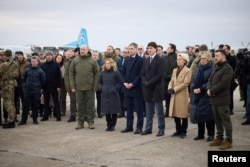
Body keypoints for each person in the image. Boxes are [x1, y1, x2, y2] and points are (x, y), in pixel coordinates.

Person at [207, 49, 234, 150]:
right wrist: (209, 88)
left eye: (217, 56)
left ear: (223, 56)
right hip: (214, 99)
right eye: (215, 56)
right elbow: (210, 79)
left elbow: (223, 84)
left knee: (226, 121)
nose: (215, 57)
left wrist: (212, 91)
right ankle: (219, 138)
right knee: (217, 120)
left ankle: (228, 140)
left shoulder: (228, 69)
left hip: (222, 99)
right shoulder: (216, 67)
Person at [70, 45, 100, 130]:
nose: (82, 51)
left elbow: (97, 73)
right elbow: (71, 73)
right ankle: (80, 122)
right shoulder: (75, 60)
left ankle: (91, 122)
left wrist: (95, 87)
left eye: (84, 49)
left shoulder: (93, 61)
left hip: (90, 88)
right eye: (81, 49)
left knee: (90, 106)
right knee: (79, 106)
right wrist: (72, 86)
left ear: (88, 50)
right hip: (78, 87)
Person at [141, 42, 165, 137]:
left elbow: (160, 74)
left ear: (155, 49)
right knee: (148, 111)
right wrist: (144, 82)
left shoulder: (160, 59)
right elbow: (142, 73)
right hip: (147, 88)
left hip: (156, 88)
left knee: (159, 111)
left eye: (151, 48)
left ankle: (161, 129)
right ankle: (148, 128)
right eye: (148, 48)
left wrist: (149, 82)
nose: (149, 50)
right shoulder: (146, 60)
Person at [190, 52, 215, 141]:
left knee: (208, 116)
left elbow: (210, 81)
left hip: (206, 95)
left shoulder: (212, 69)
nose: (202, 60)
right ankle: (200, 134)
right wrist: (193, 88)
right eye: (201, 58)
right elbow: (193, 80)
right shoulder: (198, 69)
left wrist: (201, 88)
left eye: (204, 59)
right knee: (199, 116)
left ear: (208, 60)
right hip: (197, 95)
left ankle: (211, 134)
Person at [121, 42, 144, 134]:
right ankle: (129, 126)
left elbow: (140, 74)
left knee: (139, 110)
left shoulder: (141, 60)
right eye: (129, 49)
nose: (130, 50)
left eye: (132, 49)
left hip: (136, 88)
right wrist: (124, 83)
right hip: (127, 88)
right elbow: (122, 73)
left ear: (136, 49)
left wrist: (133, 84)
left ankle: (139, 127)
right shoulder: (126, 60)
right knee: (129, 110)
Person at [168, 53, 191, 138]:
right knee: (175, 114)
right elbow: (171, 80)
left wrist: (175, 89)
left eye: (180, 60)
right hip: (174, 94)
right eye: (177, 59)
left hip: (182, 95)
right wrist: (170, 87)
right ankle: (178, 130)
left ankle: (183, 131)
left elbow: (186, 83)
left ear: (184, 61)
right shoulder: (174, 70)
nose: (178, 61)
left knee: (183, 114)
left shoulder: (187, 70)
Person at [18, 56, 46, 125]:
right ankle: (23, 120)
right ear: (31, 62)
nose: (33, 62)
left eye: (35, 61)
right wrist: (25, 86)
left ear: (37, 62)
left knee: (35, 106)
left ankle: (35, 119)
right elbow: (24, 78)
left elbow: (43, 80)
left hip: (36, 91)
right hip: (27, 90)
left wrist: (40, 88)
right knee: (25, 106)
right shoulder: (27, 70)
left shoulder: (40, 71)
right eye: (32, 61)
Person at [99, 58, 122, 131]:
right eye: (106, 63)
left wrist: (115, 89)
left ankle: (113, 125)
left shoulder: (116, 72)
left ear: (112, 64)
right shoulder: (102, 73)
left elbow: (119, 83)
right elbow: (99, 82)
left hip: (113, 94)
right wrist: (101, 88)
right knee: (107, 111)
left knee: (113, 111)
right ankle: (108, 125)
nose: (107, 65)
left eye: (109, 63)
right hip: (105, 94)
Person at [0, 50, 19, 129]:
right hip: (12, 84)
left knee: (7, 103)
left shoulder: (4, 64)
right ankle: (13, 118)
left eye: (2, 55)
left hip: (6, 85)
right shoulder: (14, 63)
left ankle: (11, 121)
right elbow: (17, 75)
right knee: (11, 102)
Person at [40, 51, 62, 121]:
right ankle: (45, 116)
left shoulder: (56, 65)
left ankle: (58, 116)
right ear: (45, 57)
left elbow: (59, 76)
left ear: (52, 56)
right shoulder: (42, 65)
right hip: (45, 86)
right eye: (47, 55)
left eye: (50, 55)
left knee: (56, 102)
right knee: (46, 102)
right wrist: (41, 87)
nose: (49, 56)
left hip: (54, 86)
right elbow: (41, 77)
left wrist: (59, 86)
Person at [163, 43, 177, 117]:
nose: (167, 49)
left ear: (172, 49)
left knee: (173, 97)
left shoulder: (177, 58)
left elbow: (177, 68)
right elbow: (162, 68)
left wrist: (170, 76)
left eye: (168, 48)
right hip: (165, 80)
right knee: (167, 97)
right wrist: (165, 75)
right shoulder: (164, 58)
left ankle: (174, 111)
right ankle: (167, 111)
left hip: (174, 80)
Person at [64, 49, 77, 122]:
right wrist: (68, 86)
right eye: (68, 53)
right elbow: (66, 75)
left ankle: (83, 115)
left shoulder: (78, 61)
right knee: (73, 101)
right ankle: (73, 115)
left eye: (71, 52)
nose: (70, 54)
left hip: (79, 84)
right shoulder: (67, 62)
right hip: (71, 84)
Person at [223, 44, 237, 115]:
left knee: (230, 95)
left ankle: (230, 109)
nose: (224, 50)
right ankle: (226, 109)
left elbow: (232, 68)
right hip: (223, 80)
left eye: (225, 49)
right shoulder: (223, 58)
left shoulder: (232, 58)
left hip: (230, 79)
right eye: (223, 49)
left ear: (228, 50)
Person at [116, 47, 129, 118]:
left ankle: (128, 113)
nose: (124, 54)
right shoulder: (119, 60)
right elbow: (117, 69)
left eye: (125, 52)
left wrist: (121, 69)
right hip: (119, 82)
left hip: (126, 81)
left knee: (126, 99)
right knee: (120, 99)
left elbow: (127, 70)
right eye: (123, 52)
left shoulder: (129, 60)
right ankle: (121, 113)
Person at [92, 51, 103, 118]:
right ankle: (92, 113)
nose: (95, 56)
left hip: (99, 83)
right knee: (91, 100)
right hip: (91, 84)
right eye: (93, 55)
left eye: (96, 55)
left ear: (98, 56)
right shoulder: (89, 62)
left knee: (100, 99)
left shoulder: (102, 62)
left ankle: (99, 112)